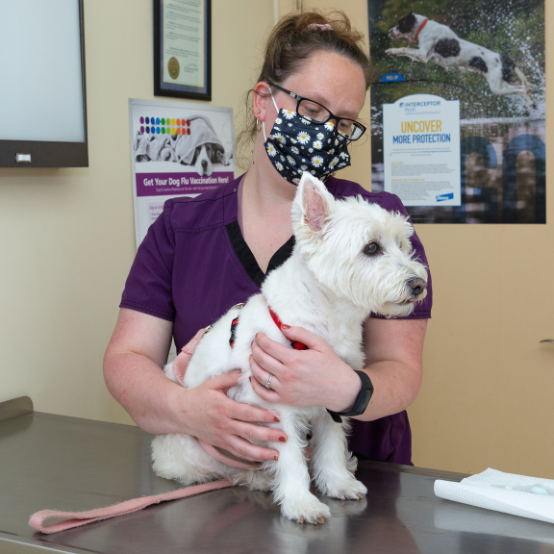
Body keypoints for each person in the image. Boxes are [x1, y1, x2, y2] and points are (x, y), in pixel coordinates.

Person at [103, 10, 432, 467]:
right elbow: (127, 357)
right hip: (216, 485)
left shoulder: (376, 227)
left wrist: (345, 388)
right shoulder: (181, 229)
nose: (324, 132)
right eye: (312, 109)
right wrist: (187, 410)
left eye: (342, 123)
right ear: (263, 102)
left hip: (359, 483)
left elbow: (402, 370)